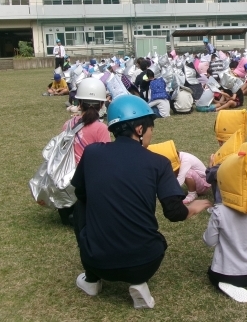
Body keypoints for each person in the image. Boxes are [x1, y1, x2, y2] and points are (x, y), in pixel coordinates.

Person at [71, 96, 211, 308]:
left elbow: (80, 192)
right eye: (150, 129)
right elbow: (174, 213)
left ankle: (91, 280)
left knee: (81, 203)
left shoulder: (92, 153)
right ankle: (138, 283)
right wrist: (192, 208)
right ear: (139, 128)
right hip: (145, 263)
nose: (151, 134)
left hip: (96, 260)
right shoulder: (159, 162)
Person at [203, 152, 247, 303]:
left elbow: (209, 241)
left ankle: (223, 284)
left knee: (212, 276)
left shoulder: (219, 212)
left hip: (224, 272)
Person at [56, 78, 111, 226]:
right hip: (89, 177)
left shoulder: (68, 124)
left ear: (79, 104)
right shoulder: (101, 128)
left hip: (67, 174)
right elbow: (105, 157)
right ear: (101, 105)